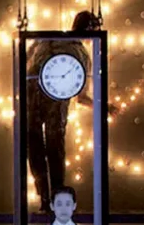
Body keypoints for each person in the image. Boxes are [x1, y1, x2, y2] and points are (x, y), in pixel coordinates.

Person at [26, 11, 103, 212]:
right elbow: (82, 96)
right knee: (54, 151)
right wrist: (103, 106)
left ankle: (46, 198)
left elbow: (26, 62)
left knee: (38, 150)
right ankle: (53, 198)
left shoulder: (48, 39)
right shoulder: (83, 56)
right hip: (53, 104)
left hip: (33, 100)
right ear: (90, 29)